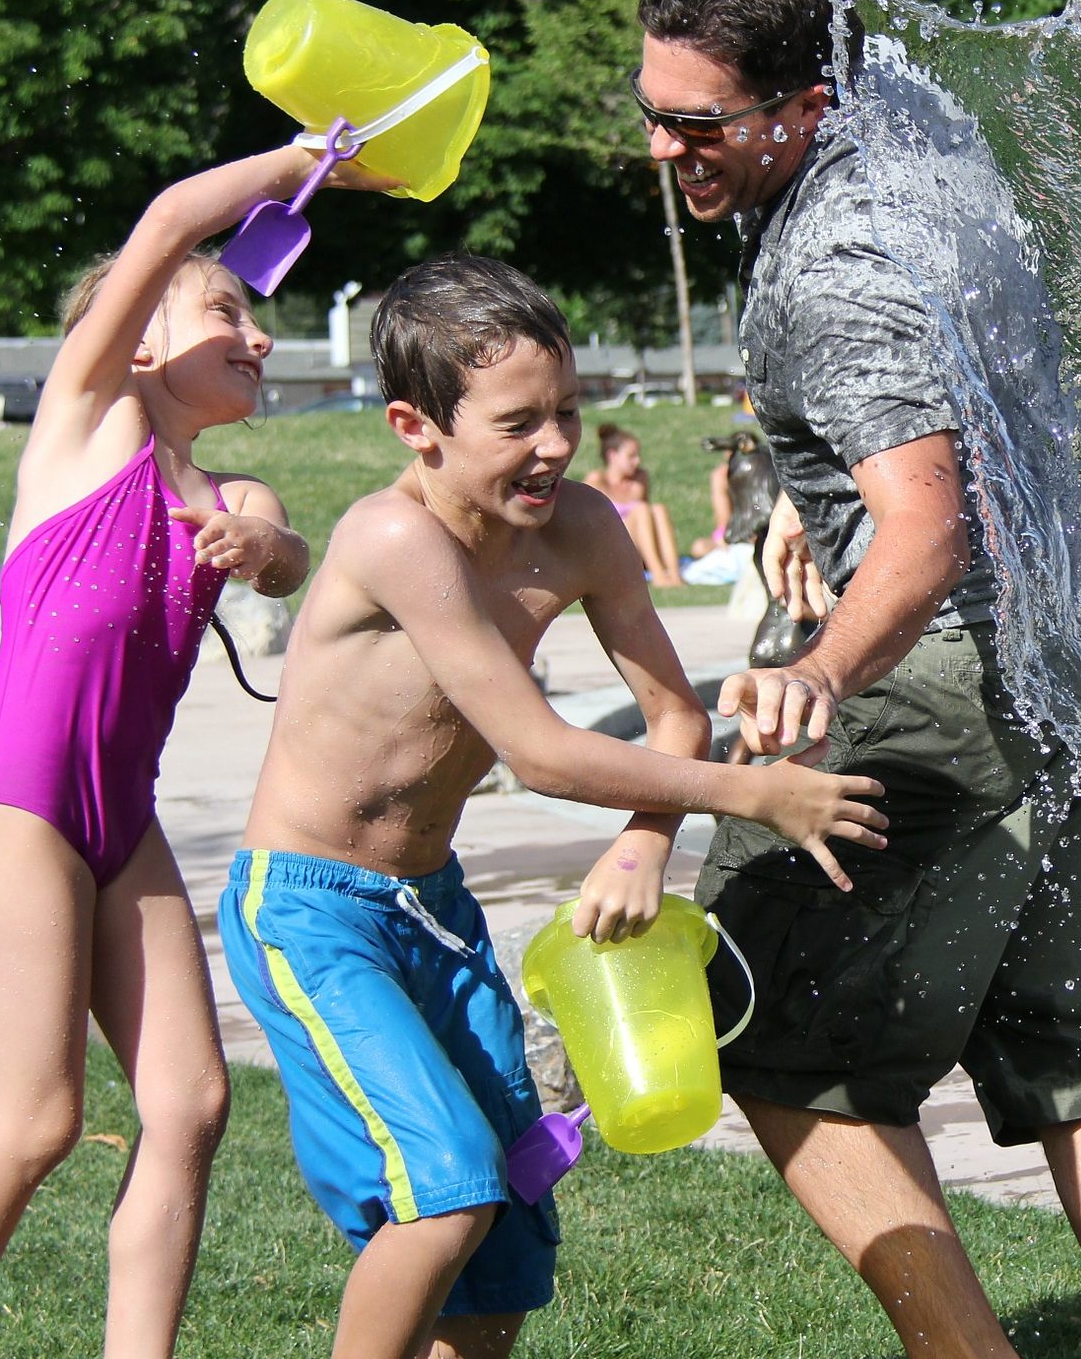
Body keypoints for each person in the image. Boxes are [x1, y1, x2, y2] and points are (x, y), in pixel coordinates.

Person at [636, 0, 1081, 1359]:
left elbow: (925, 527)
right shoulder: (930, 164)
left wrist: (824, 667)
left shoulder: (834, 264)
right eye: (650, 111)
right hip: (1070, 675)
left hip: (935, 684)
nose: (664, 149)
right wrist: (796, 505)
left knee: (766, 1033)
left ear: (800, 104)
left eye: (698, 124)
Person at [217, 253, 886, 1359]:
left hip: (433, 908)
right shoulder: (395, 540)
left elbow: (674, 711)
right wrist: (752, 794)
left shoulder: (579, 528)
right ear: (414, 426)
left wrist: (645, 842)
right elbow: (538, 752)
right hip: (311, 912)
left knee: (509, 1235)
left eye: (569, 411)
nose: (557, 445)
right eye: (519, 422)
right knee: (443, 1190)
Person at [0, 146, 381, 1359]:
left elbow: (284, 552)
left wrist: (261, 551)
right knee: (34, 1122)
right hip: (11, 802)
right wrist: (314, 162)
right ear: (137, 344)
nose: (260, 335)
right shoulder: (87, 423)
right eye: (226, 310)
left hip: (117, 820)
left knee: (189, 1101)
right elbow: (174, 216)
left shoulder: (237, 487)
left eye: (256, 316)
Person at [583, 422, 683, 586]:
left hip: (638, 549)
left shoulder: (639, 479)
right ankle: (658, 575)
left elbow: (649, 524)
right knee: (641, 509)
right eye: (631, 456)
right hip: (610, 547)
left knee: (658, 509)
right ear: (612, 455)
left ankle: (674, 573)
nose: (637, 461)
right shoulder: (597, 480)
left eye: (638, 455)